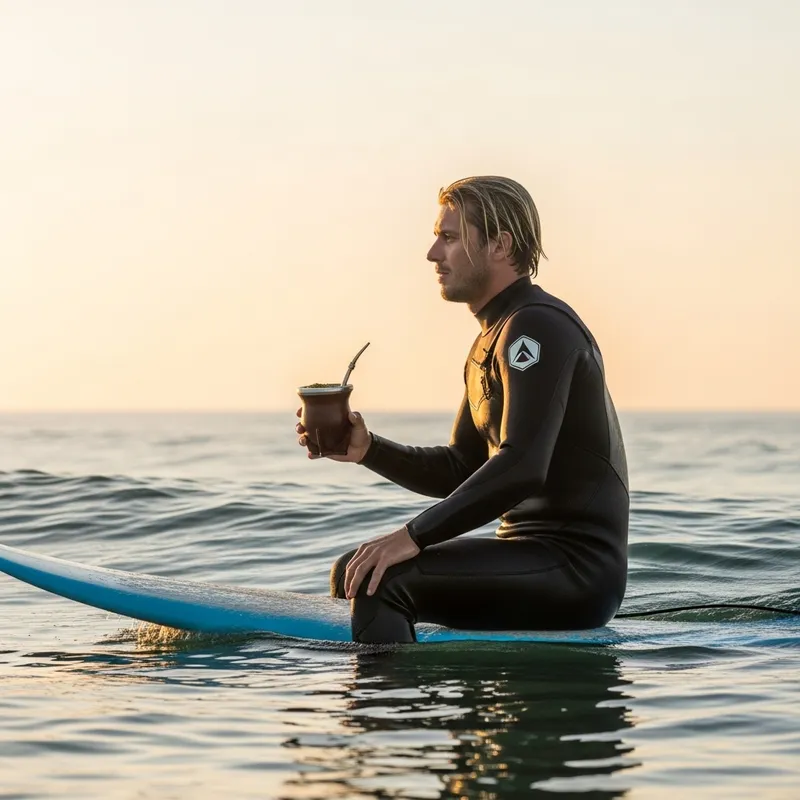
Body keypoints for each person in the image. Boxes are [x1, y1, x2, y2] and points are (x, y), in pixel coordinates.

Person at [295, 175, 629, 643]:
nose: (433, 253)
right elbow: (461, 467)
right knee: (352, 571)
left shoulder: (537, 327)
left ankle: (382, 692)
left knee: (380, 581)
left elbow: (523, 466)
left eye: (449, 237)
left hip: (577, 568)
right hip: (530, 555)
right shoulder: (491, 339)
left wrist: (411, 536)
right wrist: (369, 449)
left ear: (499, 245)